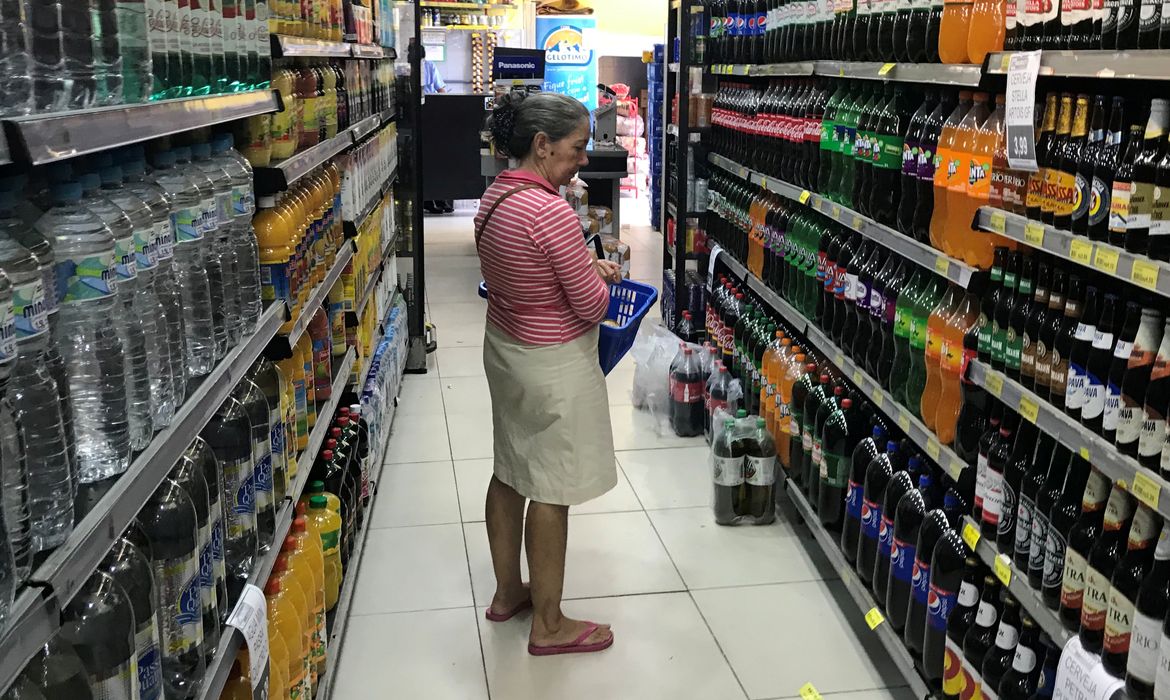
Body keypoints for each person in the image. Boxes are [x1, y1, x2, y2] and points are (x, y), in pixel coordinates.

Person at [477, 91, 623, 657]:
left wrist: (581, 265)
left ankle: (508, 591)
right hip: (552, 364)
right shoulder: (550, 210)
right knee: (552, 487)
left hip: (506, 348)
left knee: (510, 467)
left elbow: (525, 271)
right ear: (542, 145)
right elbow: (590, 308)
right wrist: (600, 277)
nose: (584, 160)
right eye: (576, 149)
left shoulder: (495, 197)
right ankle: (550, 624)